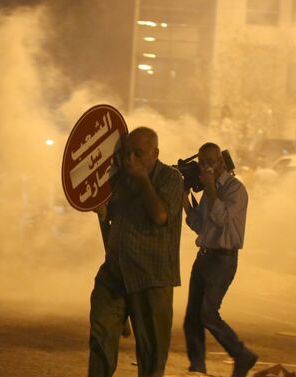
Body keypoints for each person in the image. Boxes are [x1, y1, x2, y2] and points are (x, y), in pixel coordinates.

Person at [89, 127, 184, 377]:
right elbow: (112, 219)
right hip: (115, 272)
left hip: (150, 276)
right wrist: (102, 212)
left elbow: (160, 215)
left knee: (151, 352)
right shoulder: (121, 179)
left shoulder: (170, 179)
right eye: (127, 153)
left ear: (155, 153)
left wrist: (143, 180)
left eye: (138, 153)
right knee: (101, 334)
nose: (130, 159)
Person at [182, 142, 257, 377]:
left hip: (222, 260)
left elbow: (221, 218)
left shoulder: (235, 190)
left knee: (208, 313)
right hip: (204, 256)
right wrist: (184, 199)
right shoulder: (208, 190)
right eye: (201, 163)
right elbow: (200, 226)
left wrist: (211, 187)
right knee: (192, 317)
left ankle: (241, 354)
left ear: (221, 163)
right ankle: (197, 367)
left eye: (209, 163)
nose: (205, 168)